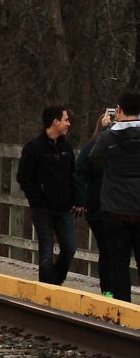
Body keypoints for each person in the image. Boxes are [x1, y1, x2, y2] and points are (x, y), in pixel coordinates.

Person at [16, 105, 76, 285]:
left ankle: (56, 281)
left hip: (63, 207)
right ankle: (46, 289)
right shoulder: (34, 148)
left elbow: (73, 175)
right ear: (55, 122)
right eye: (65, 120)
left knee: (70, 247)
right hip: (43, 208)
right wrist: (36, 199)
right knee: (46, 250)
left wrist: (75, 199)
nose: (68, 124)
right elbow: (23, 177)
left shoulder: (66, 148)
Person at [90, 91, 140, 302]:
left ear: (118, 110)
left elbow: (92, 160)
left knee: (118, 263)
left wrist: (106, 127)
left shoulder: (108, 138)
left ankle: (123, 308)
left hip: (115, 209)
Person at [74, 110, 115, 296]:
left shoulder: (121, 145)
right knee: (107, 248)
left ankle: (117, 289)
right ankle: (108, 290)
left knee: (116, 249)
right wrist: (80, 198)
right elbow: (80, 170)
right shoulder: (92, 146)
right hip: (98, 205)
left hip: (118, 204)